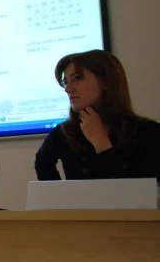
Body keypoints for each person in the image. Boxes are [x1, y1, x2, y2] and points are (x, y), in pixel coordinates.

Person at [35, 49, 160, 181]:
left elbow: (130, 194)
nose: (68, 89)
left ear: (105, 82)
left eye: (77, 78)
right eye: (66, 82)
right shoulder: (65, 132)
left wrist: (101, 142)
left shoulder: (149, 133)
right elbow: (42, 164)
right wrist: (62, 197)